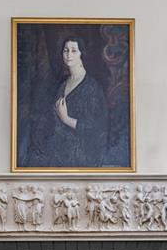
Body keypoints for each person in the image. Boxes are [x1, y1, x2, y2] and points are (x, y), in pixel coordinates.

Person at [28, 38, 108, 168]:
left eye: (74, 51)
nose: (69, 55)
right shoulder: (63, 84)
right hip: (57, 149)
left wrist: (66, 119)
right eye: (66, 51)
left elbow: (96, 128)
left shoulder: (92, 87)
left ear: (81, 54)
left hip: (81, 155)